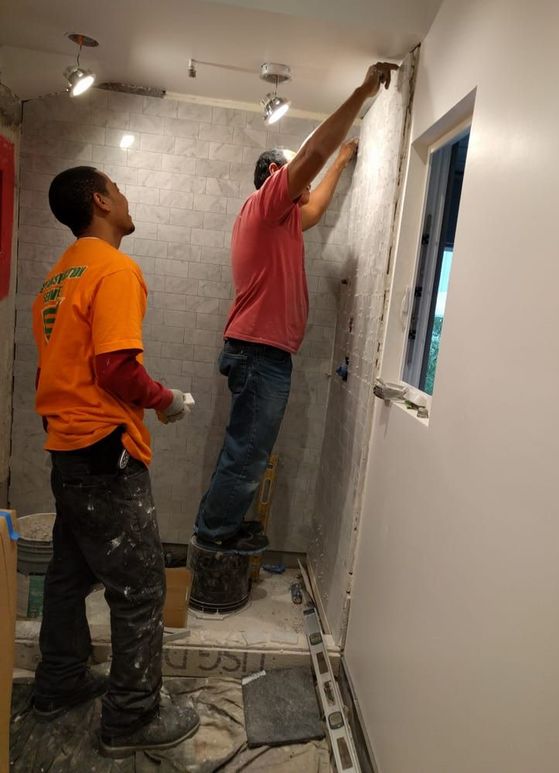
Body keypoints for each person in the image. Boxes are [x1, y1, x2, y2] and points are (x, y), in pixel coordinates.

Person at [194, 61, 398, 554]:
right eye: (294, 174)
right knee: (248, 451)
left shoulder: (279, 221)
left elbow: (317, 205)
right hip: (260, 355)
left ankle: (218, 526)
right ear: (274, 175)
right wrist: (363, 92)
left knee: (248, 448)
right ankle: (214, 534)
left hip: (261, 353)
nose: (302, 181)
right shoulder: (266, 203)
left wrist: (344, 161)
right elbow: (312, 153)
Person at [31, 166, 199, 758]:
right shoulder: (115, 268)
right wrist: (168, 401)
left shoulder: (58, 277)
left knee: (68, 575)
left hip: (66, 448)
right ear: (101, 200)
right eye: (120, 190)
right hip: (105, 451)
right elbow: (116, 369)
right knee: (140, 589)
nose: (128, 199)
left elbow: (50, 370)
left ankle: (59, 682)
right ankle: (130, 717)